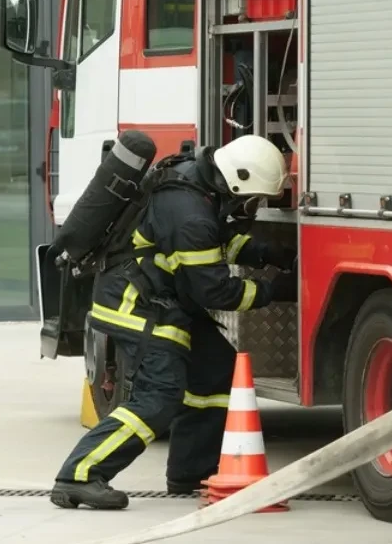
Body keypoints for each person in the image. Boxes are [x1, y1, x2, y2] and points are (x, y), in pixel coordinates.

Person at [49, 135, 299, 510]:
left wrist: (268, 253)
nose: (253, 206)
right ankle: (79, 475)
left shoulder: (195, 184)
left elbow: (220, 241)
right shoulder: (190, 214)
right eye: (253, 198)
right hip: (136, 307)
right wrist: (273, 290)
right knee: (159, 395)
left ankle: (191, 473)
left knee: (216, 368)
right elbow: (214, 291)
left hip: (160, 300)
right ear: (237, 182)